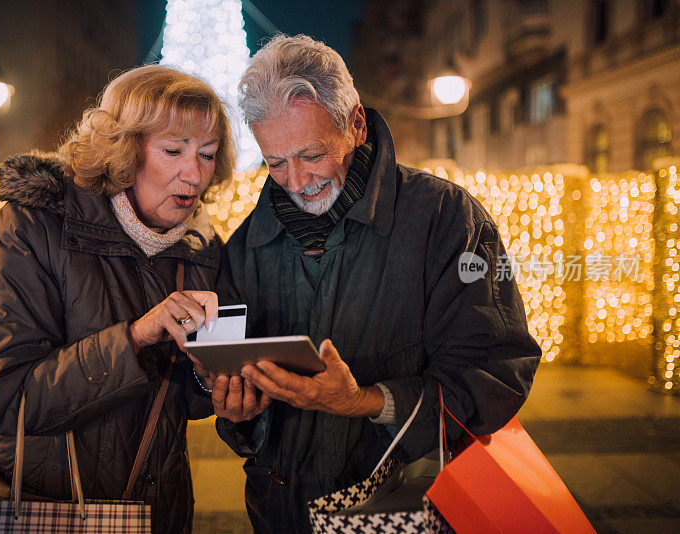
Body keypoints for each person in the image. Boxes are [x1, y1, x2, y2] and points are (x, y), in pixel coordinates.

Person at [211, 35, 542, 533]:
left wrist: (366, 401)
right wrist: (238, 411)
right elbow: (240, 409)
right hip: (278, 512)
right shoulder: (247, 245)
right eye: (275, 162)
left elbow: (497, 373)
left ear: (356, 125)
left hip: (401, 509)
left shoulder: (446, 219)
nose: (296, 181)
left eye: (311, 155)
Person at [0, 65, 235, 533]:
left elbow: (178, 403)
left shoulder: (202, 248)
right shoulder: (30, 226)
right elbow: (10, 398)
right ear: (123, 150)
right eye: (172, 150)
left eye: (207, 153)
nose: (195, 173)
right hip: (36, 506)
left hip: (157, 513)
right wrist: (137, 337)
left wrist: (209, 379)